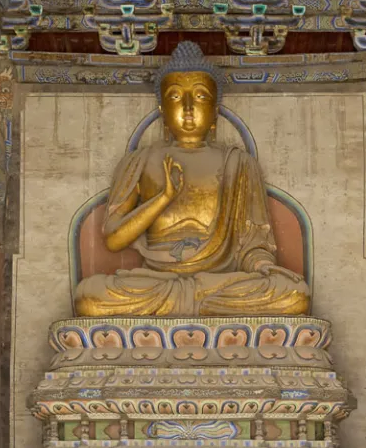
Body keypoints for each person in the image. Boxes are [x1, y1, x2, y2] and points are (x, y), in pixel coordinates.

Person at [74, 41, 310, 317]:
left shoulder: (239, 163)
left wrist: (263, 267)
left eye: (199, 97)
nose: (187, 108)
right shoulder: (139, 161)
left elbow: (252, 243)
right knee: (89, 296)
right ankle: (201, 311)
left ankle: (189, 308)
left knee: (294, 295)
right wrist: (163, 199)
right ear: (162, 110)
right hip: (157, 282)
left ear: (215, 111)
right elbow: (113, 239)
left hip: (219, 282)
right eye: (175, 97)